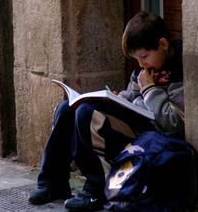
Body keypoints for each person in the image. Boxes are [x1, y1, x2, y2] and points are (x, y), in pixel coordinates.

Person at [28, 11, 184, 211]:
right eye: (136, 59)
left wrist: (149, 90)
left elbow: (173, 121)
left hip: (155, 138)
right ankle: (52, 182)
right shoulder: (147, 69)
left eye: (144, 56)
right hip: (138, 119)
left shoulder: (180, 67)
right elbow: (134, 95)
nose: (141, 64)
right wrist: (120, 99)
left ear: (163, 44)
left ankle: (96, 190)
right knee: (66, 109)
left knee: (87, 114)